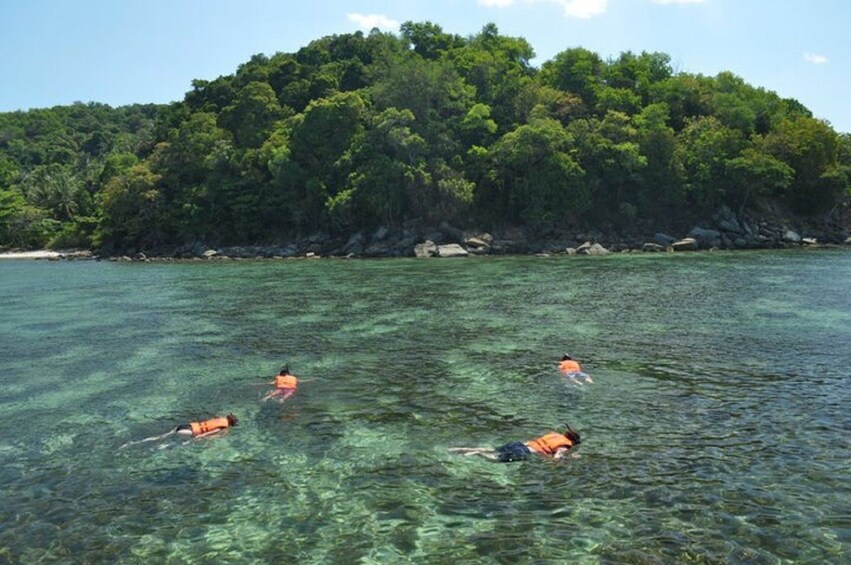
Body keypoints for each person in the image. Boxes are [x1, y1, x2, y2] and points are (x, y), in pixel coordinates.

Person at [449, 425, 581, 462]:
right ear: (573, 441)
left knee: (491, 449)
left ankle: (460, 449)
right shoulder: (565, 445)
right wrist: (569, 458)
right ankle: (477, 454)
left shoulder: (555, 434)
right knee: (494, 459)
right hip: (524, 452)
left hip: (520, 444)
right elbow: (556, 458)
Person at [120, 413, 238, 448]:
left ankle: (135, 442)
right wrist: (198, 438)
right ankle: (161, 448)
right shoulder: (224, 427)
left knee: (160, 436)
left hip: (184, 426)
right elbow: (209, 433)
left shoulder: (220, 418)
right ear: (231, 424)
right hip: (188, 432)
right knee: (176, 443)